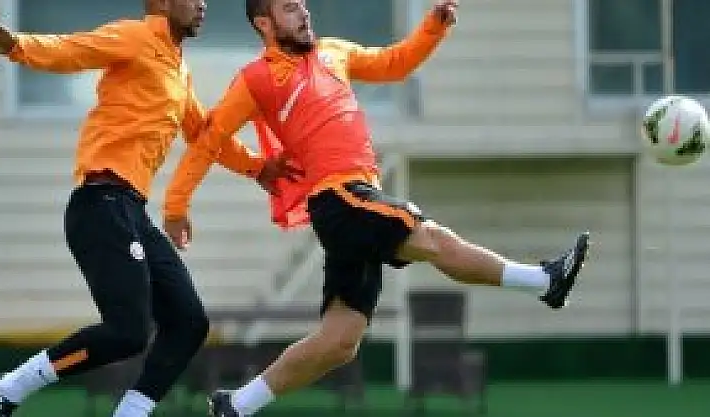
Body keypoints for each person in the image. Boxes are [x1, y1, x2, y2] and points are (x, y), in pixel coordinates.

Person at [161, 0, 591, 415]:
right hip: (339, 199)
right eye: (290, 7)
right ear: (264, 24)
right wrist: (177, 206)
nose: (304, 12)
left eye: (303, 4)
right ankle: (543, 281)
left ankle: (236, 405)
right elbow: (208, 141)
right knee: (432, 240)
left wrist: (434, 26)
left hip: (355, 199)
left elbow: (394, 63)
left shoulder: (333, 51)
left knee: (340, 341)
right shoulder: (256, 78)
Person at [0, 1, 298, 416]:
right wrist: (17, 45)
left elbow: (204, 133)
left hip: (131, 211)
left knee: (188, 322)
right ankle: (6, 387)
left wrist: (258, 166)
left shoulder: (177, 68)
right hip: (100, 203)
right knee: (127, 332)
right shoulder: (135, 36)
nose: (202, 4)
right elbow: (73, 49)